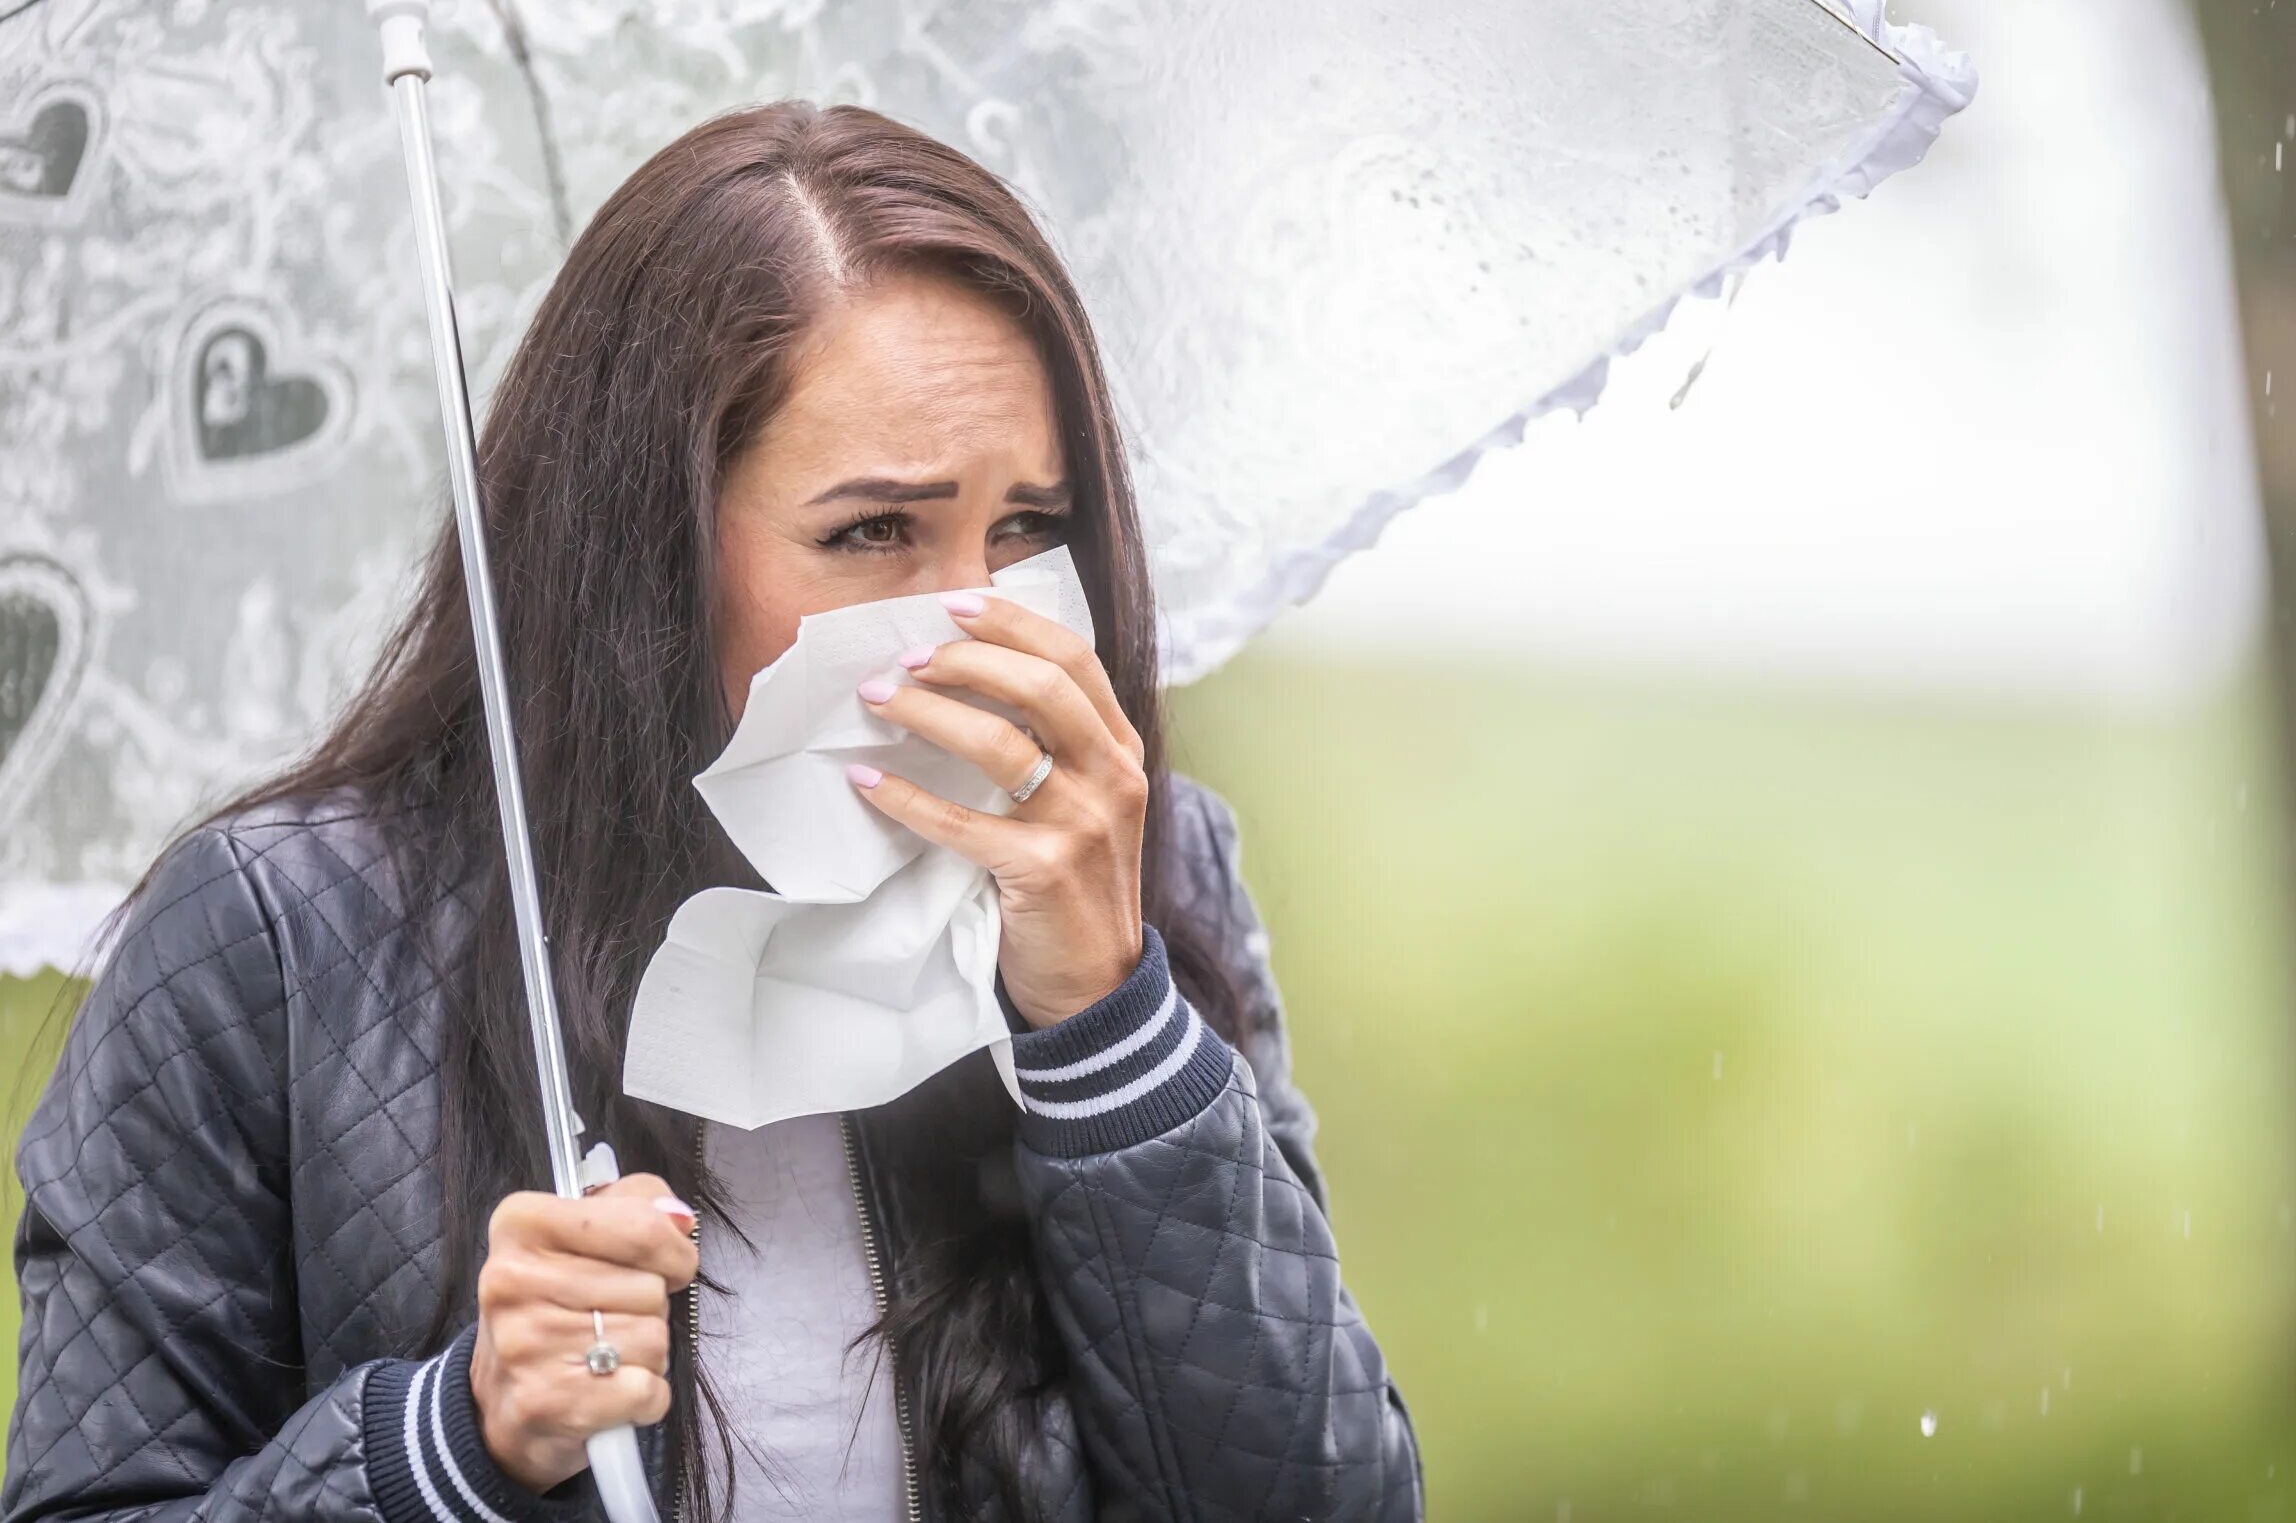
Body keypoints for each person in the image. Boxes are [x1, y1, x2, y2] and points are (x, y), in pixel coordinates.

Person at [2, 104, 1422, 1523]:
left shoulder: (1145, 868)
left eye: (1032, 528)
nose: (983, 616)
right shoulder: (277, 937)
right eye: (874, 532)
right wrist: (444, 1446)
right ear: (654, 547)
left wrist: (1106, 1034)